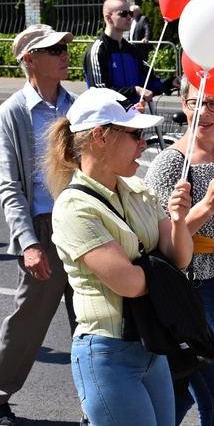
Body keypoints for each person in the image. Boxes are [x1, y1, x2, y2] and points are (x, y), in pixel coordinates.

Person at [46, 87, 194, 425]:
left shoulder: (139, 189)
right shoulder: (74, 206)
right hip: (107, 353)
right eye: (135, 134)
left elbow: (181, 258)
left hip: (151, 345)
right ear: (100, 136)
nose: (144, 143)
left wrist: (179, 219)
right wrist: (162, 263)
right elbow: (129, 283)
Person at [145, 79, 214, 425]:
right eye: (197, 102)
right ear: (183, 103)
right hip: (187, 290)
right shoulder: (169, 164)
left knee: (183, 390)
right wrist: (207, 205)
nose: (204, 112)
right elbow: (161, 243)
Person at [0, 24, 77, 426]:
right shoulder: (13, 112)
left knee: (92, 322)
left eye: (64, 46)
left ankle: (97, 406)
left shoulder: (76, 105)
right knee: (28, 321)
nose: (65, 53)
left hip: (83, 223)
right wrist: (28, 242)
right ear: (29, 59)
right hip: (44, 229)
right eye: (53, 50)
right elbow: (9, 185)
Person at [83, 0, 178, 105]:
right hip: (109, 120)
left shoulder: (131, 49)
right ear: (108, 18)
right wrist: (135, 90)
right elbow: (100, 92)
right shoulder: (98, 50)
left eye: (131, 13)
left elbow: (149, 79)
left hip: (134, 116)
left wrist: (170, 82)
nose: (129, 17)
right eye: (123, 13)